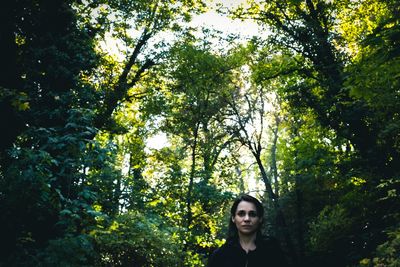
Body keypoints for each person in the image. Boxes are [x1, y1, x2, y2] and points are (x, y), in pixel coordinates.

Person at [207, 194, 288, 267]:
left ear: (260, 219)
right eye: (241, 214)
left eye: (252, 214)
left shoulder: (272, 250)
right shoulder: (220, 255)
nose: (247, 219)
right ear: (233, 218)